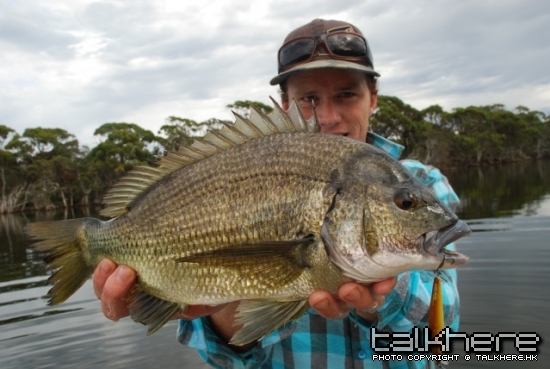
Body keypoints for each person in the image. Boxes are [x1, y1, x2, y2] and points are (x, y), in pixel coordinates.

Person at [93, 18, 461, 368]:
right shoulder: (245, 165)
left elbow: (438, 347)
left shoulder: (425, 181)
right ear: (286, 103)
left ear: (373, 97)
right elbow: (228, 359)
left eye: (347, 94)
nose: (329, 116)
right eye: (310, 99)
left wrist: (380, 298)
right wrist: (222, 303)